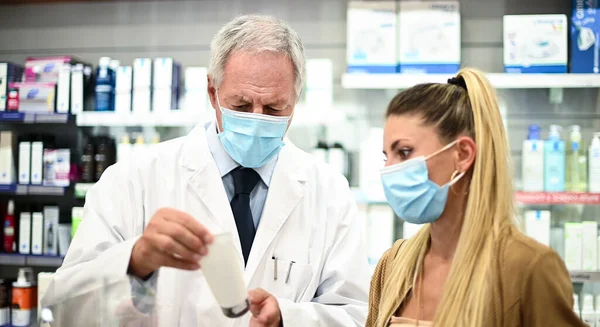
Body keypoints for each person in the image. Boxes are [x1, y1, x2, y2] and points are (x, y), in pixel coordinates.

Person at [42, 15, 370, 327]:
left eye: (273, 108)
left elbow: (356, 315)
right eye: (240, 106)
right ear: (212, 92)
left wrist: (289, 318)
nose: (256, 119)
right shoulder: (133, 179)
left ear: (296, 99)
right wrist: (137, 260)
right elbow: (65, 309)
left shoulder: (328, 192)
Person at [366, 68, 584, 327]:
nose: (390, 169)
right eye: (385, 156)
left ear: (463, 154)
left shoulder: (528, 268)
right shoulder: (393, 265)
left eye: (404, 152)